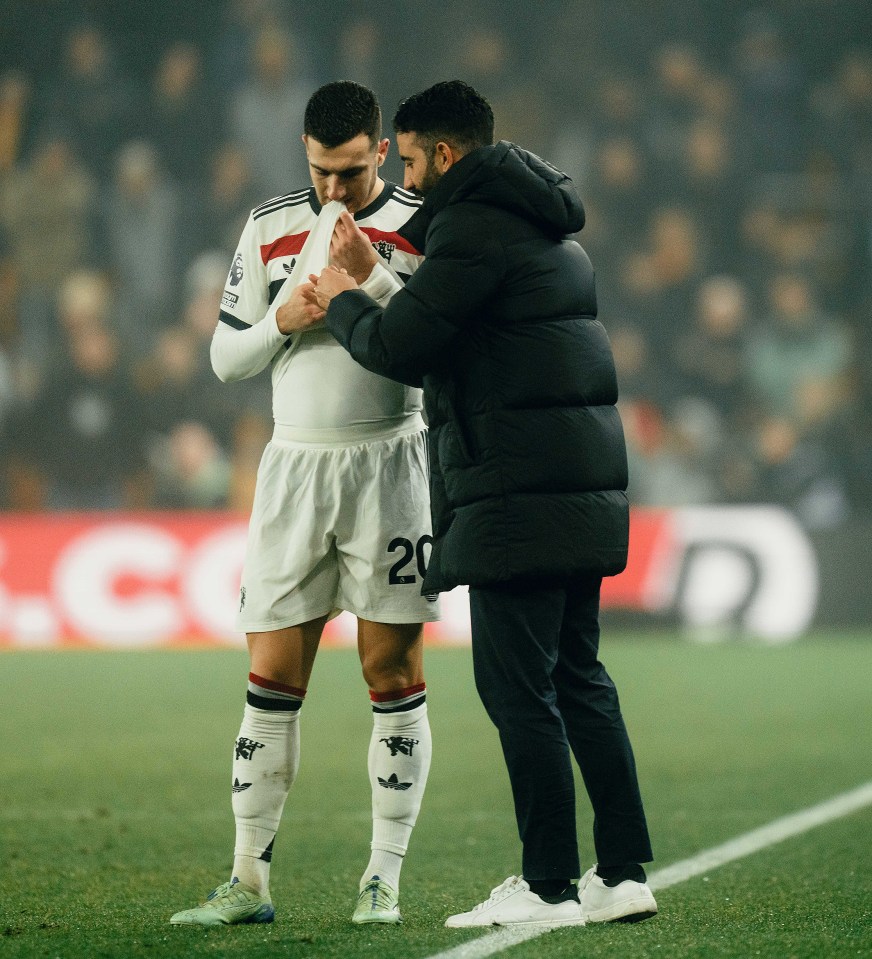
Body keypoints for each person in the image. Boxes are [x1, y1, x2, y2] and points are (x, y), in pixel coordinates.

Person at [304, 80, 656, 927]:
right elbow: (458, 335)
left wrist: (340, 297)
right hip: (577, 487)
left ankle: (546, 886)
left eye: (414, 157)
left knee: (517, 690)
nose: (409, 174)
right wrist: (378, 277)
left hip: (514, 493)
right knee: (579, 677)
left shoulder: (471, 226)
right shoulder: (538, 222)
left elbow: (401, 346)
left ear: (446, 154)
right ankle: (620, 872)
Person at [169, 81, 437, 929]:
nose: (334, 191)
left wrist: (375, 281)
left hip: (391, 463)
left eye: (351, 172)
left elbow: (442, 351)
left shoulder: (424, 225)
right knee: (271, 677)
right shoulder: (268, 225)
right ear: (304, 152)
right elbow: (223, 359)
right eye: (321, 171)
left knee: (390, 672)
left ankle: (382, 879)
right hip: (294, 468)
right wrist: (283, 318)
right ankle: (248, 880)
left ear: (382, 151)